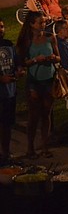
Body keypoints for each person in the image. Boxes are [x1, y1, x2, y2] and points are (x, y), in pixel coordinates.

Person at [17, 13, 59, 159]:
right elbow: (22, 62)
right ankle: (30, 148)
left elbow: (58, 57)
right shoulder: (27, 41)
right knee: (34, 115)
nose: (42, 25)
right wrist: (35, 60)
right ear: (32, 24)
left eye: (43, 22)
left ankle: (45, 147)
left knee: (46, 114)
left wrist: (53, 58)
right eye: (40, 22)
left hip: (49, 79)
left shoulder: (50, 37)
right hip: (34, 81)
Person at [0, 19, 19, 162]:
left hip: (10, 91)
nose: (1, 29)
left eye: (2, 26)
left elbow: (15, 62)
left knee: (7, 123)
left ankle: (6, 152)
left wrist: (19, 71)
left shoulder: (8, 44)